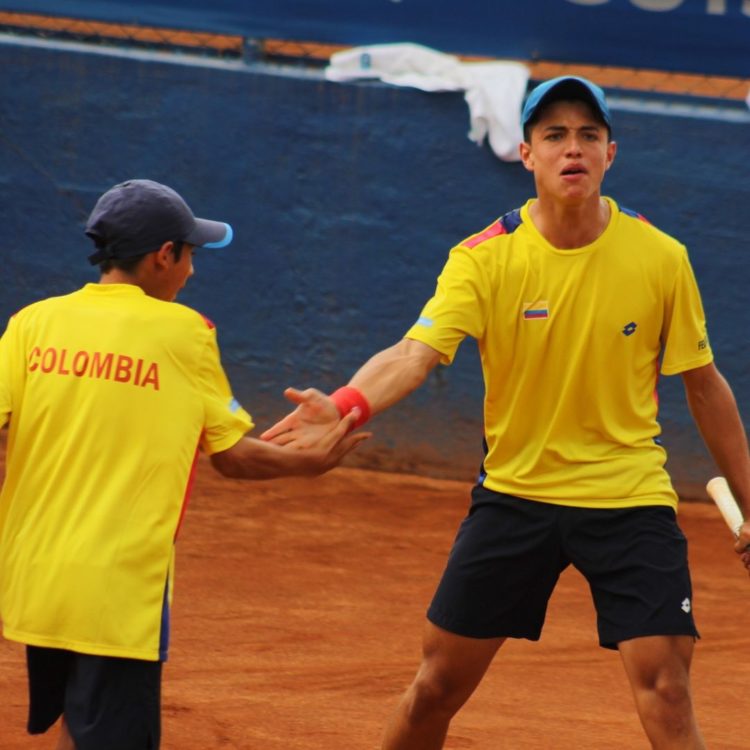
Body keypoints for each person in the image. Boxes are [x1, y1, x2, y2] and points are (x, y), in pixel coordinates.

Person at [261, 76, 750, 749]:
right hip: (516, 496)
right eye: (554, 135)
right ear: (526, 154)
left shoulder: (663, 259)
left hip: (628, 494)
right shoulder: (483, 259)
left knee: (667, 687)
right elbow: (414, 353)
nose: (572, 149)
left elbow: (703, 385)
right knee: (435, 686)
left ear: (613, 153)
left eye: (588, 135)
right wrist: (347, 402)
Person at [0, 178, 369, 750]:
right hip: (118, 591)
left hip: (34, 578)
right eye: (190, 254)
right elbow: (233, 457)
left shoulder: (31, 324)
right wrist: (309, 462)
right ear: (162, 256)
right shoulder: (185, 333)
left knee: (80, 720)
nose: (192, 271)